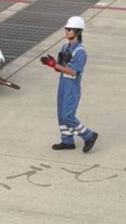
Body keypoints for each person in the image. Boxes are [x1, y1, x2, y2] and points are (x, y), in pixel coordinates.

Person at [40, 16, 99, 153]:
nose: (66, 31)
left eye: (70, 29)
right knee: (61, 114)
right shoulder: (65, 47)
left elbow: (73, 72)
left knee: (67, 115)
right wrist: (54, 64)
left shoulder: (81, 52)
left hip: (72, 86)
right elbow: (60, 68)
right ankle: (67, 140)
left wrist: (54, 65)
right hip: (63, 83)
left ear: (78, 31)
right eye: (66, 29)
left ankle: (89, 135)